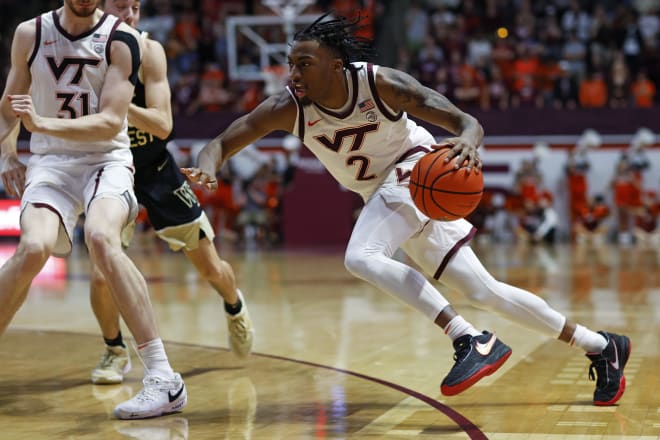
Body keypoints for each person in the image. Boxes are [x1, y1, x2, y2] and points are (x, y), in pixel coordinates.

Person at [181, 13, 631, 406]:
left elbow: (465, 122)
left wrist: (468, 144)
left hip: (414, 171)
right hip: (379, 192)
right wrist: (206, 167)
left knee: (361, 257)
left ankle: (469, 338)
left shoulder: (381, 83)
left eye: (304, 63)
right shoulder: (287, 107)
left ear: (336, 66)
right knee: (484, 290)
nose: (292, 73)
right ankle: (602, 346)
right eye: (291, 63)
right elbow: (222, 142)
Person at [0, 0, 185, 419]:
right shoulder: (30, 33)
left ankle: (163, 378)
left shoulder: (121, 39)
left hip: (107, 159)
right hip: (51, 164)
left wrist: (44, 125)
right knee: (33, 247)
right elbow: (11, 101)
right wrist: (7, 152)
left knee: (102, 238)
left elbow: (110, 121)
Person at [83, 0, 254, 387]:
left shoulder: (149, 51)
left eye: (135, 8)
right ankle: (114, 348)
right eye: (120, 7)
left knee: (210, 268)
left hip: (157, 169)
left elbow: (163, 127)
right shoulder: (83, 54)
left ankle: (234, 305)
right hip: (112, 168)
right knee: (99, 274)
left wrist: (122, 107)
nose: (129, 15)